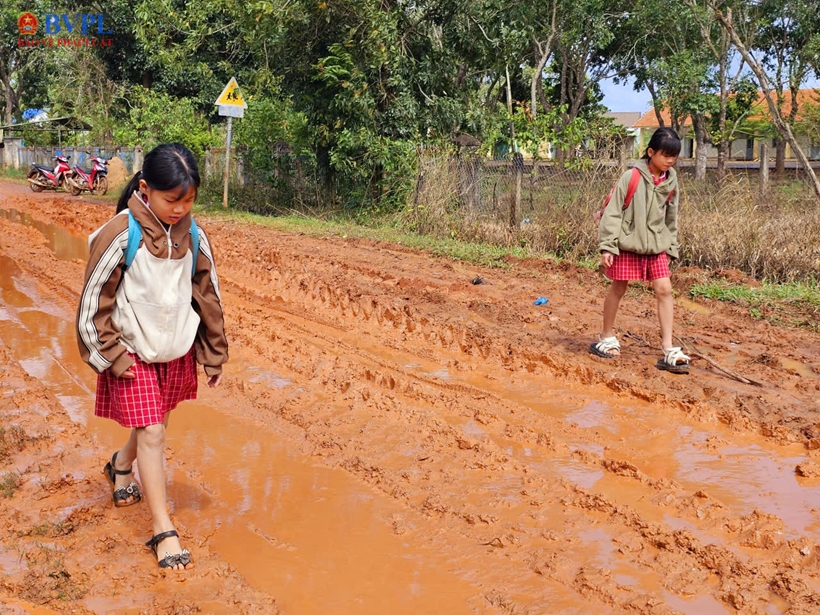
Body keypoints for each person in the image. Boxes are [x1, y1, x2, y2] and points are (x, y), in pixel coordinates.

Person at [76, 143, 228, 569]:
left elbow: (208, 295)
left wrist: (213, 353)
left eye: (189, 200)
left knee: (154, 424)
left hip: (174, 349)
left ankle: (121, 465)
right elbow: (93, 301)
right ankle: (163, 531)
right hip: (131, 350)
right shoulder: (121, 234)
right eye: (171, 199)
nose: (180, 209)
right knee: (154, 431)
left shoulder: (194, 236)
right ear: (145, 189)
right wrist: (111, 354)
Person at [589, 127, 690, 374]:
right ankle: (606, 336)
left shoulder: (671, 180)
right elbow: (613, 213)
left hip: (656, 245)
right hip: (627, 243)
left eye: (674, 157)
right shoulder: (631, 177)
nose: (670, 161)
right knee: (618, 288)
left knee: (664, 289)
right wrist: (608, 247)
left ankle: (668, 348)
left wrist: (671, 246)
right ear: (651, 152)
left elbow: (672, 217)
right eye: (666, 155)